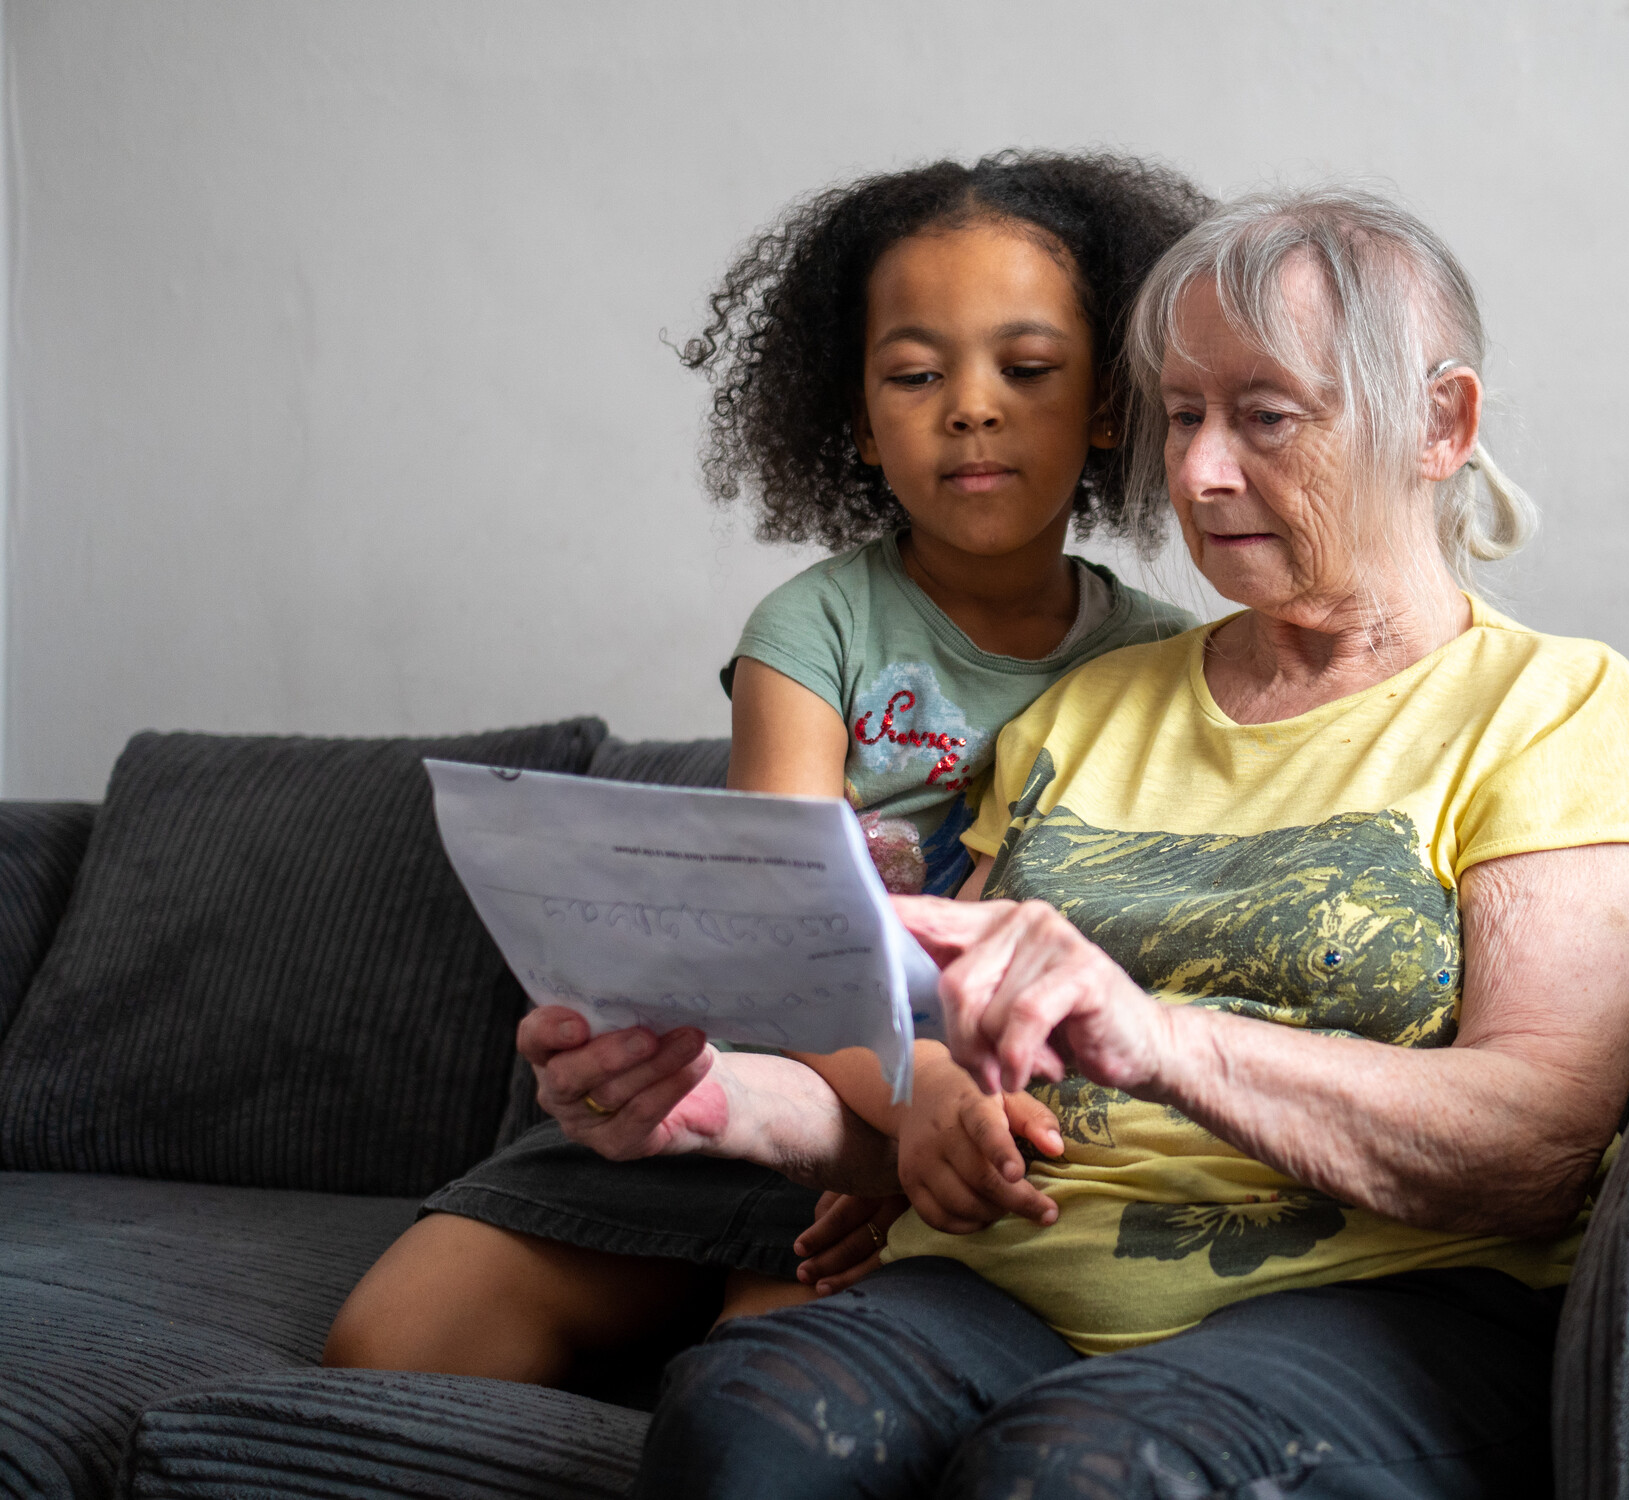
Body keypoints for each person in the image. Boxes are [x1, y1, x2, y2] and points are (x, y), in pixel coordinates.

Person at [510, 187, 1629, 1499]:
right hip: (998, 1282)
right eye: (1182, 416)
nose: (1196, 474)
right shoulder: (1091, 703)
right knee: (742, 1414)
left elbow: (1534, 1146)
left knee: (1083, 1470)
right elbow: (941, 1116)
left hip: (1373, 1303)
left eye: (1263, 417)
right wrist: (714, 1103)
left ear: (1440, 424)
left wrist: (1164, 1039)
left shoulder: (1550, 707)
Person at [323, 151, 1207, 1386]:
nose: (970, 406)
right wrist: (919, 1098)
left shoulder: (1177, 664)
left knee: (767, 1389)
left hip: (952, 1136)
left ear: (1111, 404)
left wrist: (921, 1132)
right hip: (754, 1077)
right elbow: (779, 954)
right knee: (391, 1344)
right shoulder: (811, 633)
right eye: (913, 373)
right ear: (854, 418)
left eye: (1028, 369)